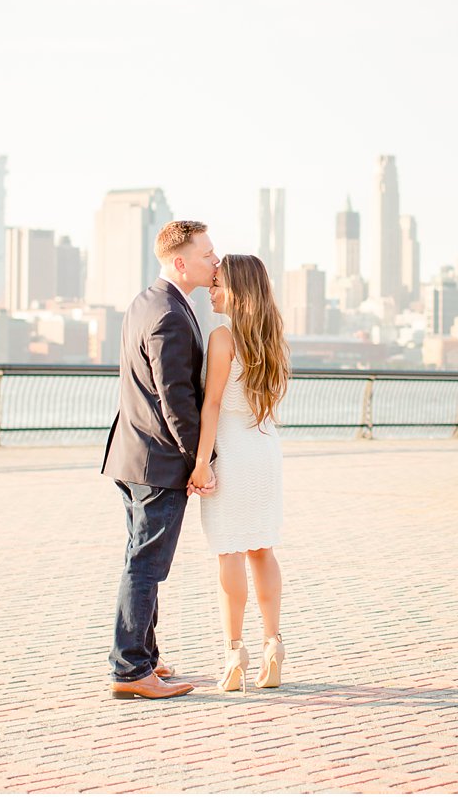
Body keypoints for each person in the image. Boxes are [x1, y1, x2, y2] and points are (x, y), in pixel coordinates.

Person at [101, 219, 219, 700]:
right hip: (158, 463)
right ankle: (130, 670)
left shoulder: (146, 302)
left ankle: (142, 656)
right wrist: (201, 459)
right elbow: (176, 399)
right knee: (147, 564)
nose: (215, 260)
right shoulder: (170, 313)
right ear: (180, 262)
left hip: (132, 455)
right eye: (208, 254)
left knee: (140, 558)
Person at [188, 254, 290, 692]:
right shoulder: (273, 339)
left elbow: (211, 405)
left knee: (229, 552)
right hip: (266, 453)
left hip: (232, 454)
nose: (210, 291)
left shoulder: (223, 337)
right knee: (262, 550)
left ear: (238, 291)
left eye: (218, 284)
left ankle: (235, 652)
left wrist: (199, 463)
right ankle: (274, 644)